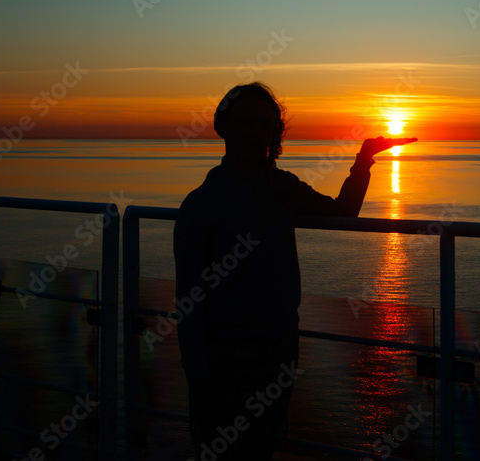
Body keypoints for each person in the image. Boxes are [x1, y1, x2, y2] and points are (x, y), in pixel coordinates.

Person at [173, 81, 415, 460]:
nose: (256, 133)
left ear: (275, 132)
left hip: (280, 350)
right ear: (223, 126)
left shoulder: (281, 187)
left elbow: (342, 212)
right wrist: (198, 375)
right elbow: (188, 300)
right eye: (246, 122)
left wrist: (364, 158)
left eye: (265, 125)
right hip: (226, 360)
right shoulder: (201, 205)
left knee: (267, 446)